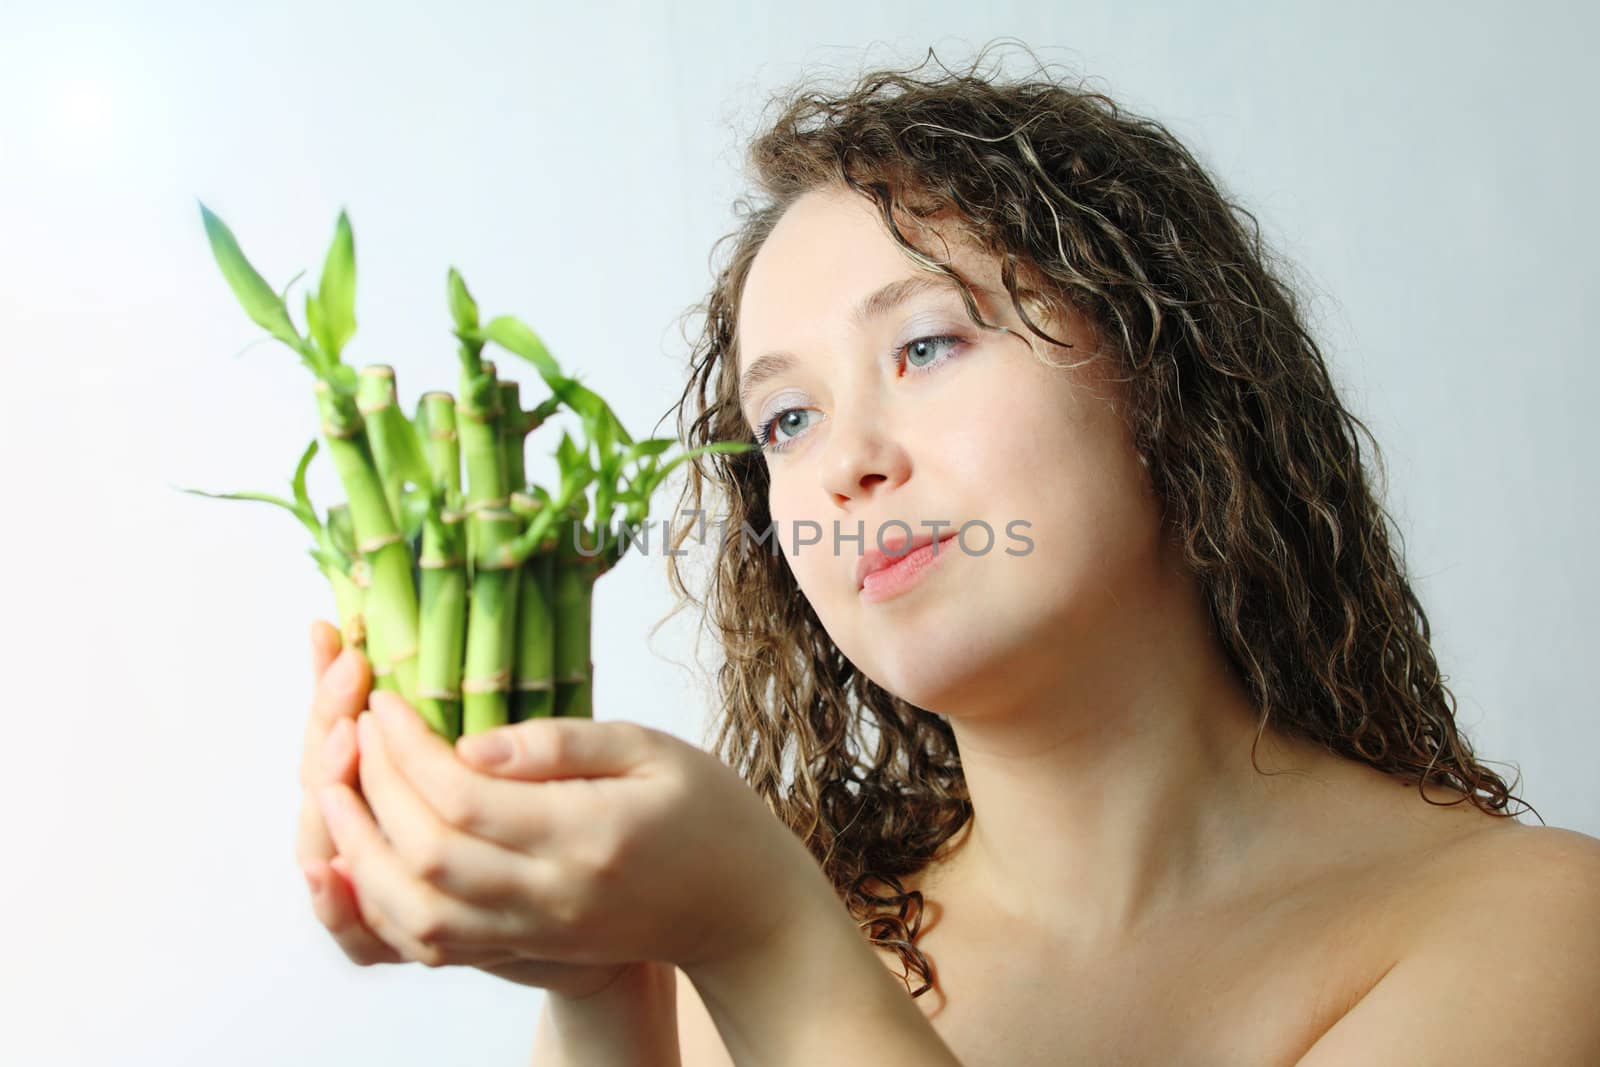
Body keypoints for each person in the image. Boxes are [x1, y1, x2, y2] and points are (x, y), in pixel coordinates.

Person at [294, 41, 1600, 1066]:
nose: (847, 462)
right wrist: (595, 982)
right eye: (787, 419)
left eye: (926, 346)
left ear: (1167, 377)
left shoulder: (1537, 931)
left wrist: (757, 933)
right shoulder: (711, 973)